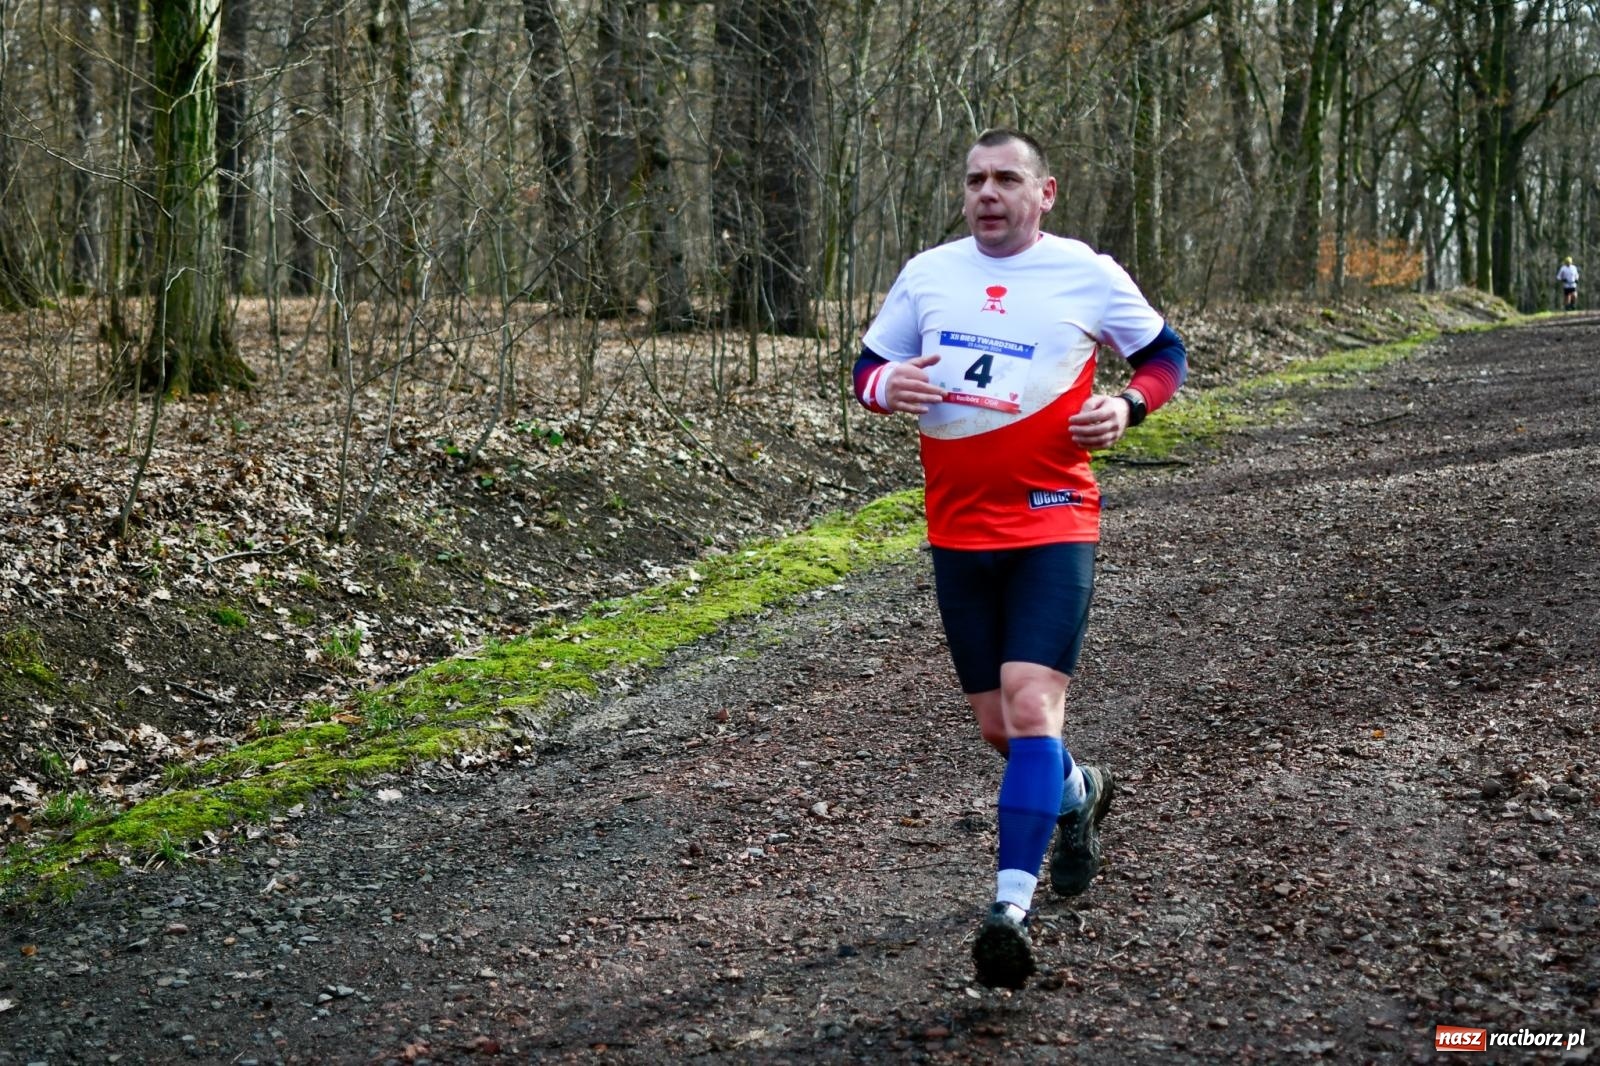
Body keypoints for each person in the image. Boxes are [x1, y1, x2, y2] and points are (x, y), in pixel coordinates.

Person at [853, 128, 1187, 989]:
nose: (987, 193)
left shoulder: (1089, 272)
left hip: (1053, 521)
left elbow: (1163, 355)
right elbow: (867, 367)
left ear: (1046, 192)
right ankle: (1079, 797)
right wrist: (890, 388)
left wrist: (1129, 407)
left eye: (1007, 178)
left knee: (1033, 707)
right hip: (957, 531)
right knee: (1000, 729)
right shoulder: (930, 273)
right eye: (975, 180)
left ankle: (1008, 908)